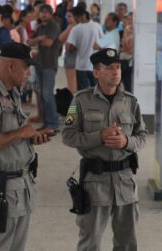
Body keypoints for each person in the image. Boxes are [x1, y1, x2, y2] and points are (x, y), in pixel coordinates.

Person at [0, 42, 54, 251]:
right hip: (1, 188)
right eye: (26, 68)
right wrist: (21, 132)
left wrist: (31, 137)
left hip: (20, 185)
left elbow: (13, 134)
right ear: (12, 66)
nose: (28, 73)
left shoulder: (11, 92)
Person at [62, 48, 147, 251]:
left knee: (127, 243)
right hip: (94, 184)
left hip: (125, 183)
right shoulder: (79, 101)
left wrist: (126, 142)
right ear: (96, 72)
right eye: (109, 68)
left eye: (118, 67)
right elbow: (67, 135)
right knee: (90, 242)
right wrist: (99, 136)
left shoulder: (131, 102)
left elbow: (142, 136)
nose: (115, 72)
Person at [29, 4, 61, 133]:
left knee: (47, 94)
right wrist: (40, 38)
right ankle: (46, 122)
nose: (43, 15)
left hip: (49, 65)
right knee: (42, 94)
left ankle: (53, 124)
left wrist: (40, 39)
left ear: (51, 14)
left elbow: (48, 43)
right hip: (39, 64)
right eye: (41, 12)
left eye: (46, 12)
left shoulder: (53, 26)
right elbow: (30, 42)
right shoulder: (40, 27)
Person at [66, 6, 103, 90]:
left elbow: (69, 48)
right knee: (96, 90)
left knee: (83, 92)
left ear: (78, 16)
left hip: (81, 66)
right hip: (95, 65)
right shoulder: (96, 26)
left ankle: (85, 103)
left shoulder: (76, 29)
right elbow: (102, 44)